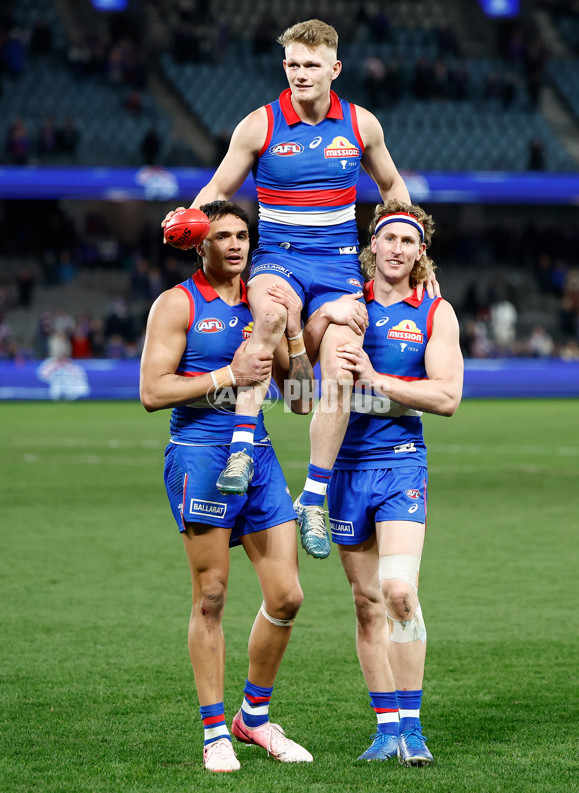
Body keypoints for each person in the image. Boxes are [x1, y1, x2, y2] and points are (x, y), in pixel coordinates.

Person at [162, 19, 438, 561]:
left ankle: (313, 495)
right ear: (283, 65)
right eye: (292, 64)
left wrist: (413, 244)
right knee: (265, 315)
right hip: (279, 261)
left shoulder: (362, 124)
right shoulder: (259, 125)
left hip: (338, 267)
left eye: (312, 65)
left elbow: (391, 187)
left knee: (342, 365)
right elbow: (219, 187)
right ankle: (242, 445)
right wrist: (189, 216)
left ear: (334, 68)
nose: (301, 74)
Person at [140, 201, 316, 773]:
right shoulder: (177, 304)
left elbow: (302, 401)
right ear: (201, 245)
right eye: (223, 237)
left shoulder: (265, 302)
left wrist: (293, 333)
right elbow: (152, 390)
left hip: (258, 455)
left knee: (287, 596)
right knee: (211, 596)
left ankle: (254, 719)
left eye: (243, 235)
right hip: (200, 456)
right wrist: (226, 376)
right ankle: (215, 732)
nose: (236, 245)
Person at [324, 200, 463, 764]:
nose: (398, 249)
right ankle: (386, 731)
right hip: (344, 467)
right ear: (373, 247)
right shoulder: (343, 308)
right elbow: (306, 394)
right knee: (365, 603)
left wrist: (377, 381)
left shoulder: (435, 313)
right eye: (390, 240)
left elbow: (447, 397)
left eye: (410, 241)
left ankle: (414, 729)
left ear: (419, 252)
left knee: (399, 592)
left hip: (402, 460)